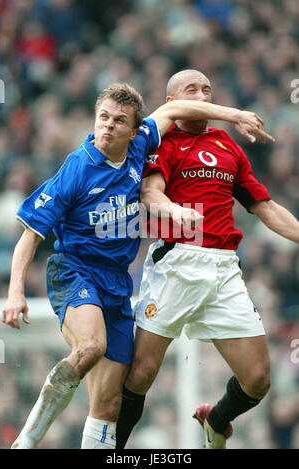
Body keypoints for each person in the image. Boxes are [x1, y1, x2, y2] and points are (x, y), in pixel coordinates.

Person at [1, 82, 271, 450]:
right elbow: (30, 235)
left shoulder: (141, 143)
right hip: (74, 269)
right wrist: (15, 292)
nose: (108, 126)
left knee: (109, 404)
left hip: (117, 282)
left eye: (119, 120)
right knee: (91, 346)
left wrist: (234, 115)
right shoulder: (77, 169)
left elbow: (175, 111)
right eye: (103, 117)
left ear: (134, 129)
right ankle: (27, 441)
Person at [115, 69, 299, 450]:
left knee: (258, 379)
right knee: (142, 373)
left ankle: (215, 421)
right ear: (173, 103)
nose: (202, 94)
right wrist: (173, 212)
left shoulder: (228, 146)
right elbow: (150, 193)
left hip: (223, 270)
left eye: (208, 89)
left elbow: (265, 208)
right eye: (192, 89)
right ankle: (111, 449)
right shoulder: (161, 143)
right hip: (176, 264)